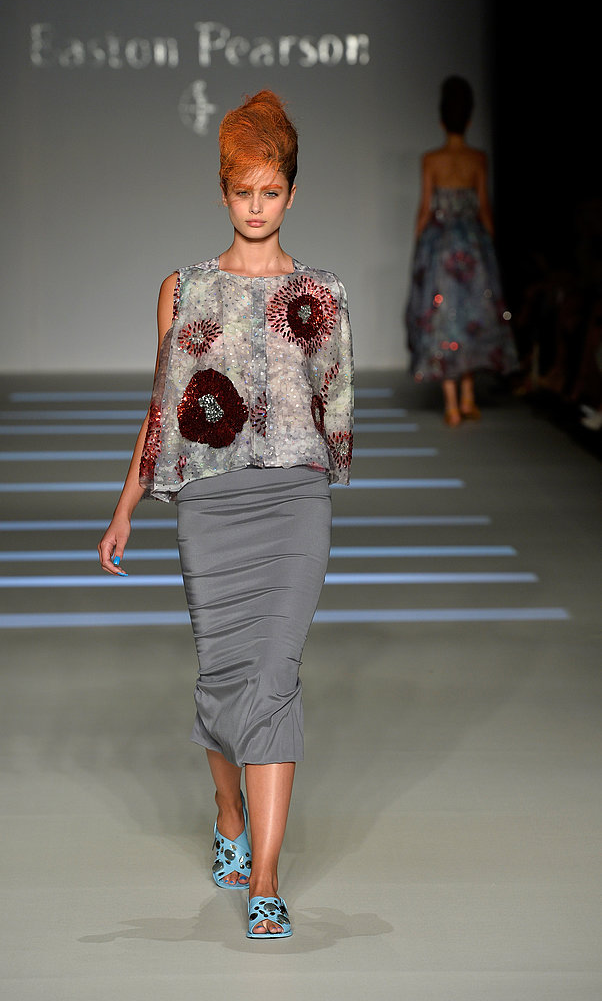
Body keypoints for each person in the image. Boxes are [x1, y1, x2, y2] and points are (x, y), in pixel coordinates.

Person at [98, 90, 353, 940]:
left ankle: (266, 880)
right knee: (221, 677)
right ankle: (229, 812)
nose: (256, 206)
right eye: (243, 190)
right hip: (209, 502)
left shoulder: (322, 294)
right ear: (222, 191)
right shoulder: (184, 290)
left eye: (270, 191)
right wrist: (127, 506)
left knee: (273, 675)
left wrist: (315, 473)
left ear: (292, 193)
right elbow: (161, 407)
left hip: (294, 502)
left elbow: (335, 404)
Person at [405, 75, 518, 425]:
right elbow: (485, 209)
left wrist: (418, 249)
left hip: (439, 246)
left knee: (444, 317)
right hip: (472, 245)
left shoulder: (431, 160)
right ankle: (469, 398)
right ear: (468, 119)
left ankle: (452, 405)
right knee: (470, 316)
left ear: (441, 120)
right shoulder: (478, 159)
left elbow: (425, 208)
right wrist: (489, 249)